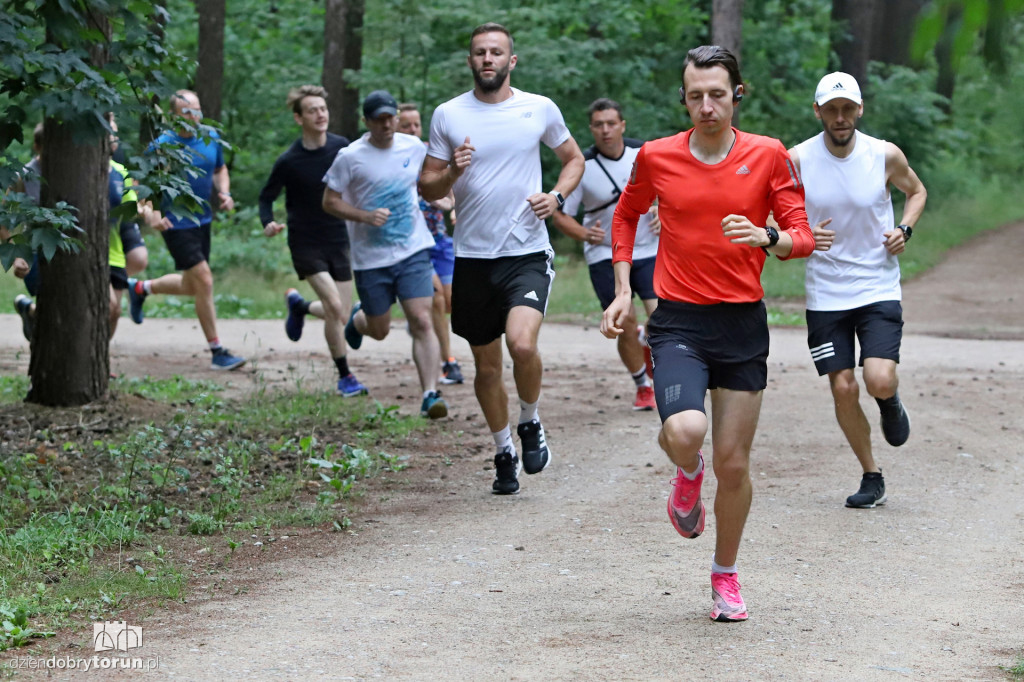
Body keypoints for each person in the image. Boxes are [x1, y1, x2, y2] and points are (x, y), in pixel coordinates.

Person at [602, 45, 815, 622]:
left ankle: (725, 575)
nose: (706, 105)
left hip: (742, 321)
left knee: (736, 464)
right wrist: (624, 288)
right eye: (695, 95)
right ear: (684, 97)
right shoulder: (657, 156)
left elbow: (802, 236)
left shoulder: (768, 155)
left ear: (737, 94)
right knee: (687, 430)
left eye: (717, 94)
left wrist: (765, 237)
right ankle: (686, 471)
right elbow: (625, 215)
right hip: (678, 319)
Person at [420, 22, 584, 495]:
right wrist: (453, 169)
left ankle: (530, 420)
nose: (487, 59)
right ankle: (502, 450)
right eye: (479, 52)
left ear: (511, 61)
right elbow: (427, 187)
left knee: (523, 345)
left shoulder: (538, 109)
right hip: (472, 257)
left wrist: (555, 197)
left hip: (526, 251)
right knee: (487, 368)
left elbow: (574, 159)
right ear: (470, 61)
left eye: (496, 52)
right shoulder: (448, 115)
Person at [790, 72, 927, 509]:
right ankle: (872, 474)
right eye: (831, 109)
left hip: (876, 283)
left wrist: (904, 228)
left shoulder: (883, 154)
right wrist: (802, 232)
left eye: (847, 108)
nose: (840, 117)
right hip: (825, 291)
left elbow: (917, 191)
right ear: (818, 112)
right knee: (843, 388)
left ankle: (889, 401)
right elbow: (768, 215)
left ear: (860, 109)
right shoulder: (797, 159)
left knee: (878, 379)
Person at [322, 89, 449, 419]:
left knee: (422, 320)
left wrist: (448, 200)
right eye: (379, 119)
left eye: (390, 117)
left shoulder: (413, 147)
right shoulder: (350, 157)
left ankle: (430, 394)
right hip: (371, 258)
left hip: (413, 249)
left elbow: (431, 181)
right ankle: (359, 319)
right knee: (379, 329)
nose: (387, 124)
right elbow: (329, 201)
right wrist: (364, 216)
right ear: (366, 122)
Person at [259, 84, 368, 397]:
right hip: (305, 242)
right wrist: (268, 222)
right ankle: (345, 377)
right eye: (312, 110)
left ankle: (301, 306)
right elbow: (266, 198)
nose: (320, 115)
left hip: (339, 238)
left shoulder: (342, 147)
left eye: (323, 109)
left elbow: (361, 179)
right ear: (299, 118)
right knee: (335, 307)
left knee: (342, 313)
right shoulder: (289, 161)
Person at [552, 98, 659, 412]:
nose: (606, 130)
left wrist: (662, 210)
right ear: (591, 129)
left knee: (663, 317)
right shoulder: (580, 166)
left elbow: (673, 190)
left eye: (611, 123)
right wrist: (584, 234)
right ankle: (642, 384)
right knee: (624, 321)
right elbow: (559, 215)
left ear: (622, 125)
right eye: (599, 125)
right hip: (606, 256)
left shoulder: (645, 154)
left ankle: (650, 345)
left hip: (650, 248)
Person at [127, 89, 246, 371]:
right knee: (204, 281)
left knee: (192, 285)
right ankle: (217, 351)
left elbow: (220, 169)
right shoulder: (162, 146)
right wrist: (149, 214)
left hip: (202, 221)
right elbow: (138, 186)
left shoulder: (210, 137)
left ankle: (142, 288)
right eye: (188, 112)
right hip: (174, 223)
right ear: (174, 116)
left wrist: (225, 193)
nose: (195, 116)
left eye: (198, 110)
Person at [397, 102, 465, 386]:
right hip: (412, 243)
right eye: (405, 125)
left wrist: (450, 206)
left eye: (415, 124)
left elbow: (450, 193)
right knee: (436, 300)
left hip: (440, 239)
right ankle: (448, 362)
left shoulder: (432, 152)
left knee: (450, 301)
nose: (412, 129)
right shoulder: (393, 156)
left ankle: (419, 322)